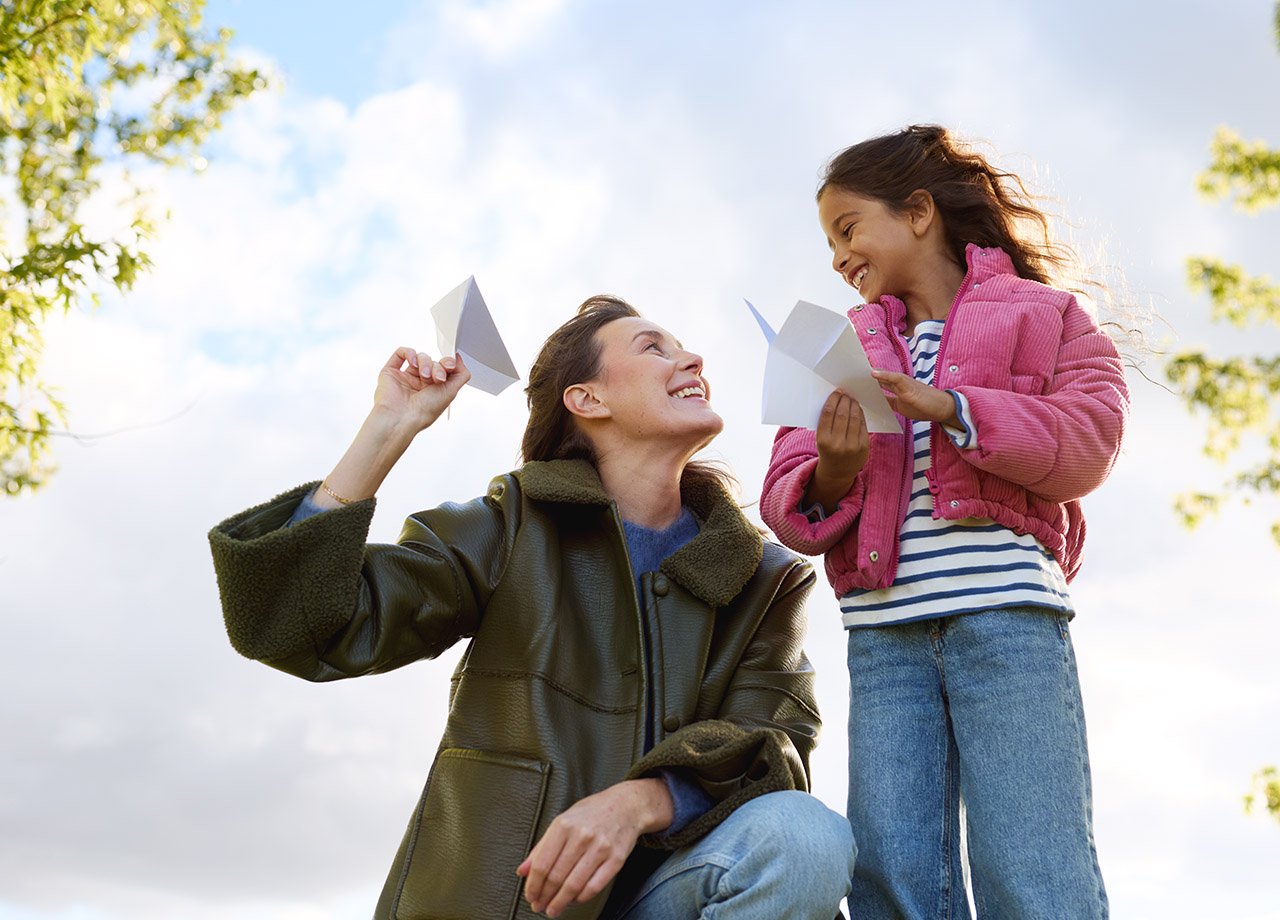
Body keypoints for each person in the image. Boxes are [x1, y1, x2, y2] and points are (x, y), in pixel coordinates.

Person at [209, 295, 855, 920]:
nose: (692, 360)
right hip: (508, 906)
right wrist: (388, 428)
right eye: (653, 348)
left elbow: (775, 746)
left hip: (672, 898)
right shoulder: (514, 524)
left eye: (683, 348)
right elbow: (294, 626)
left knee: (802, 838)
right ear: (587, 399)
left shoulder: (766, 580)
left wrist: (636, 803)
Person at [760, 125, 1128, 919]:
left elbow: (1088, 442)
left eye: (847, 229)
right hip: (884, 638)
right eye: (830, 244)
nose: (838, 258)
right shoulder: (836, 347)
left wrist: (954, 406)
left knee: (1031, 863)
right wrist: (834, 470)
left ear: (919, 211)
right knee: (893, 871)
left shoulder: (1049, 315)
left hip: (1009, 624)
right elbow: (789, 491)